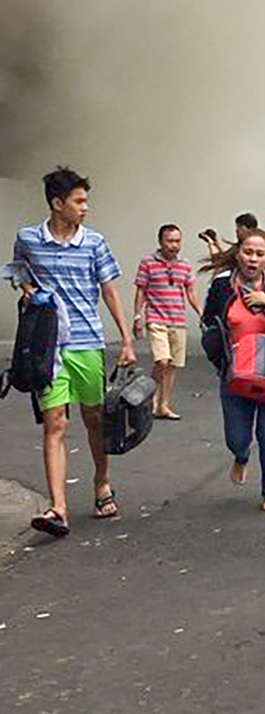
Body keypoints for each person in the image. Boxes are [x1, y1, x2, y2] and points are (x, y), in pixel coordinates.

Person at [8, 168, 136, 537]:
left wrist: (126, 340)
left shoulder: (94, 243)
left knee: (94, 419)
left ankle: (101, 482)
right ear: (57, 203)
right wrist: (28, 290)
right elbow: (19, 273)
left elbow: (109, 290)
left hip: (88, 343)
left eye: (86, 200)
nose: (85, 207)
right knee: (55, 423)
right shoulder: (28, 239)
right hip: (48, 348)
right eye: (79, 201)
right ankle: (57, 508)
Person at [201, 227, 265, 512]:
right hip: (234, 373)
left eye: (259, 254)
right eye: (248, 252)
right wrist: (220, 358)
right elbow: (207, 323)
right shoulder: (221, 285)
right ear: (238, 253)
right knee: (237, 437)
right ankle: (240, 456)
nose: (253, 259)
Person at [133, 223, 202, 420]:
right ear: (160, 242)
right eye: (170, 241)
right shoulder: (148, 263)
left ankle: (163, 405)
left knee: (172, 366)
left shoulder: (185, 264)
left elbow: (190, 290)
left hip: (177, 319)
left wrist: (200, 312)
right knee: (162, 361)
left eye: (177, 241)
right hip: (156, 319)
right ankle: (150, 397)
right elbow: (141, 290)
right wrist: (137, 316)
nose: (174, 245)